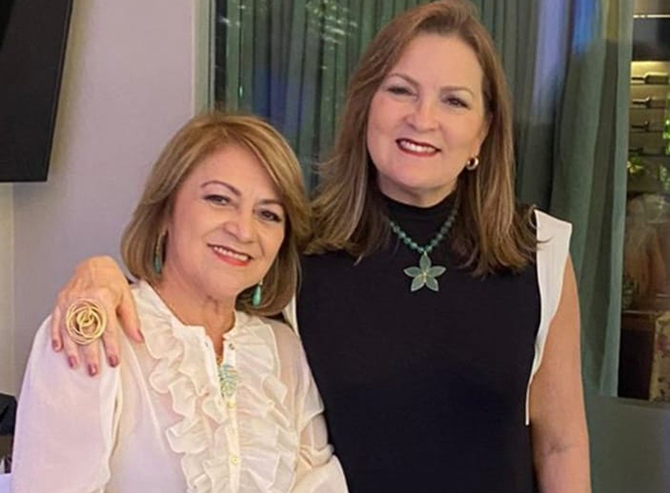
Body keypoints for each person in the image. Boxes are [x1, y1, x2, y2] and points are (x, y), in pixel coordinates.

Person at [45, 1, 590, 492]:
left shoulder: (538, 252)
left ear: (484, 131)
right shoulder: (298, 252)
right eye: (401, 90)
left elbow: (560, 445)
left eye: (454, 100)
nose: (422, 118)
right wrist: (103, 276)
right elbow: (195, 304)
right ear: (366, 104)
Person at [11, 113, 349, 492]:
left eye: (268, 214)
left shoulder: (283, 351)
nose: (243, 230)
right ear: (165, 212)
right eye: (219, 199)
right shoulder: (94, 333)